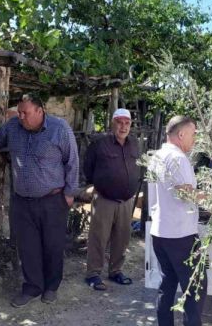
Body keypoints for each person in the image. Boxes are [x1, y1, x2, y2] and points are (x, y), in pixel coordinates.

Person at [0, 93, 79, 307]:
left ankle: (51, 287)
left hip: (53, 200)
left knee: (52, 245)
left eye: (26, 112)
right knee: (27, 247)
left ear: (40, 111)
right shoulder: (14, 127)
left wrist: (69, 193)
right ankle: (33, 286)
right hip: (22, 202)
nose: (21, 116)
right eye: (20, 112)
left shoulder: (59, 129)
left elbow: (72, 161)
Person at [148, 115, 206, 326]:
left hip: (160, 232)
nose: (195, 139)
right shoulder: (178, 158)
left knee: (168, 283)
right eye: (193, 134)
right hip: (180, 235)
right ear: (181, 134)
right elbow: (186, 194)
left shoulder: (156, 156)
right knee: (195, 287)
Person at [83, 108, 141, 290]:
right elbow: (88, 168)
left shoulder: (134, 144)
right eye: (119, 122)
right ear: (112, 123)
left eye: (127, 123)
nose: (123, 127)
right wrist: (99, 185)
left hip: (126, 201)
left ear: (130, 125)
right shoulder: (100, 144)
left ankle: (115, 271)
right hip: (104, 200)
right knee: (98, 238)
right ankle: (93, 274)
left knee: (122, 238)